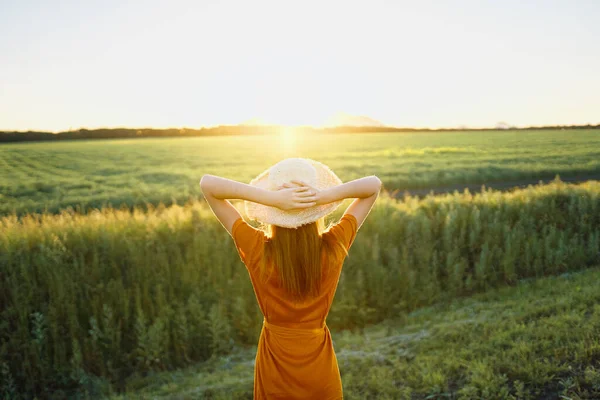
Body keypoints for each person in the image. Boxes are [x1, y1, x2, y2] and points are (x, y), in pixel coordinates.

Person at [200, 157, 382, 399]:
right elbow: (373, 186)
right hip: (319, 367)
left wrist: (273, 199)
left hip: (275, 366)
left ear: (272, 214)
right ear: (317, 212)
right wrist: (320, 197)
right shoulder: (333, 245)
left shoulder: (257, 248)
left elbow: (208, 185)